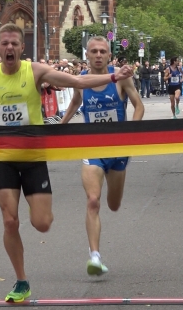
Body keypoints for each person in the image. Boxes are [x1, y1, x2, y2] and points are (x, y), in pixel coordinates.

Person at [0, 23, 134, 303]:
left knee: (42, 223)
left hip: (33, 158)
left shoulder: (35, 71)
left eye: (14, 44)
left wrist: (114, 78)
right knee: (9, 221)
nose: (9, 48)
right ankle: (21, 281)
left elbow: (77, 82)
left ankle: (40, 218)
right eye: (4, 43)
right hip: (4, 158)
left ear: (21, 48)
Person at [60, 36, 143, 276]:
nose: (98, 55)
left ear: (109, 55)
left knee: (113, 205)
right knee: (93, 200)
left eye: (102, 51)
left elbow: (139, 106)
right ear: (87, 55)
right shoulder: (80, 80)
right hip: (92, 148)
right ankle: (94, 256)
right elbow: (75, 102)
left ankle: (96, 251)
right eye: (93, 51)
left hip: (118, 151)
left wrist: (132, 136)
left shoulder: (120, 78)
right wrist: (60, 128)